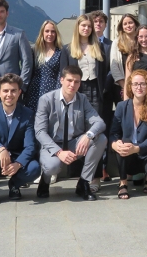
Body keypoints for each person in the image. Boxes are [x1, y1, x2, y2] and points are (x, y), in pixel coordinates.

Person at [34, 65, 108, 201]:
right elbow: (40, 132)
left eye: (76, 81)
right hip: (53, 143)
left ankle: (84, 182)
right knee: (52, 167)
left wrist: (88, 135)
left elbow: (100, 122)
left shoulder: (82, 99)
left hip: (74, 142)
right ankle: (44, 181)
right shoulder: (46, 99)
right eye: (69, 80)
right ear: (61, 80)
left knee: (101, 139)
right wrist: (59, 152)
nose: (72, 85)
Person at [0, 74, 41, 206]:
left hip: (16, 157)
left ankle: (14, 185)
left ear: (19, 92)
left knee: (35, 168)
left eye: (13, 90)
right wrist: (1, 149)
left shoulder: (27, 113)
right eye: (5, 91)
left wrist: (18, 164)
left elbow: (30, 146)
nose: (9, 94)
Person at [110, 70, 147, 199]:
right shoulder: (122, 106)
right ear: (130, 87)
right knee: (122, 145)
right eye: (135, 84)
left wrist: (137, 149)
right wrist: (115, 144)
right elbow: (113, 132)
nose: (139, 87)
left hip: (146, 152)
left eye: (142, 84)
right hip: (127, 153)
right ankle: (123, 183)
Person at [60, 14, 107, 113]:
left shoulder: (99, 46)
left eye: (89, 26)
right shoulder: (67, 49)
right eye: (83, 25)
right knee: (78, 118)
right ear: (78, 27)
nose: (86, 28)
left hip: (96, 89)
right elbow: (63, 72)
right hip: (77, 88)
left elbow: (103, 70)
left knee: (95, 120)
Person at [89, 10, 114, 183]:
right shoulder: (85, 44)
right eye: (95, 21)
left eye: (101, 22)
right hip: (88, 95)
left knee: (103, 130)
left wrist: (104, 87)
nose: (98, 24)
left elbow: (113, 69)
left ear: (105, 25)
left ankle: (104, 167)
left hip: (106, 94)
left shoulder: (111, 45)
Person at [26, 20, 63, 112]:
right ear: (42, 33)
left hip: (52, 90)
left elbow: (60, 74)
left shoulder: (61, 52)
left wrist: (58, 94)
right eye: (47, 31)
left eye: (53, 31)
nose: (50, 34)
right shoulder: (34, 50)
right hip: (34, 90)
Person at [109, 13, 139, 95]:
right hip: (122, 86)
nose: (128, 26)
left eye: (130, 23)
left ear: (135, 24)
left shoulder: (141, 41)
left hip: (140, 86)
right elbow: (114, 66)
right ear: (122, 27)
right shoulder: (116, 42)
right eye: (125, 24)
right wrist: (125, 87)